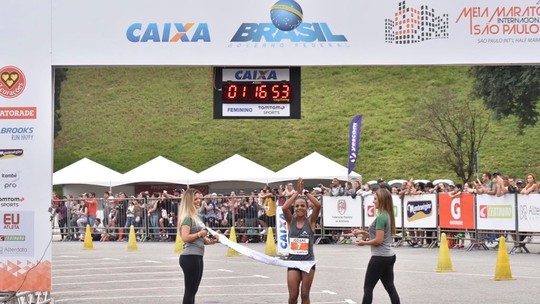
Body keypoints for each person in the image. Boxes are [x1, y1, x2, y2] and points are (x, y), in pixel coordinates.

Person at [346, 188, 400, 304]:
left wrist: (363, 243)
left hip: (380, 257)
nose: (373, 201)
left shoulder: (381, 218)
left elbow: (379, 240)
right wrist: (362, 232)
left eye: (375, 199)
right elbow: (379, 237)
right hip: (389, 256)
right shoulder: (387, 215)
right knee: (390, 287)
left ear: (381, 200)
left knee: (368, 288)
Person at [281, 177, 321, 304]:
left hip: (308, 262)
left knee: (305, 294)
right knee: (293, 296)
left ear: (306, 207)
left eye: (302, 206)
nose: (300, 208)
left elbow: (318, 205)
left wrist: (305, 192)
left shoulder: (311, 221)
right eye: (297, 206)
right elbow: (284, 208)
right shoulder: (290, 221)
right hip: (293, 262)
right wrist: (297, 193)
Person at [178, 188, 219, 304]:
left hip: (196, 255)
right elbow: (185, 237)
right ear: (188, 200)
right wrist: (200, 233)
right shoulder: (187, 217)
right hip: (190, 256)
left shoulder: (195, 216)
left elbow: (200, 238)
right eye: (195, 199)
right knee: (190, 290)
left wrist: (210, 241)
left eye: (199, 198)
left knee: (193, 290)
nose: (198, 201)